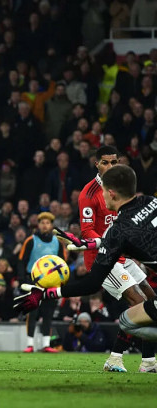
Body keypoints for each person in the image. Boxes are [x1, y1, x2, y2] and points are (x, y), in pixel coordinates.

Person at [15, 165, 157, 373]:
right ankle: (148, 362)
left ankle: (117, 358)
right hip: (114, 254)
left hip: (113, 260)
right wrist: (86, 243)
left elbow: (91, 284)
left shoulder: (118, 231)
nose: (102, 197)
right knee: (150, 303)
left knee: (131, 318)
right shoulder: (151, 202)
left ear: (111, 193)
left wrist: (46, 293)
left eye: (104, 191)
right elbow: (128, 237)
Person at [72, 145, 155, 372]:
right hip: (102, 259)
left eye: (114, 162)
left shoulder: (120, 187)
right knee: (139, 303)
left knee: (152, 300)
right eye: (105, 162)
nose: (110, 166)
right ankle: (115, 358)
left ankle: (148, 362)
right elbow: (87, 231)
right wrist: (111, 244)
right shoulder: (89, 194)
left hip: (122, 255)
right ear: (96, 164)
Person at [18, 212, 67, 353]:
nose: (45, 225)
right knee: (32, 312)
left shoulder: (57, 242)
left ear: (51, 225)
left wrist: (61, 282)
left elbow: (63, 263)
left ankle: (46, 344)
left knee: (48, 312)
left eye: (47, 223)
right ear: (38, 225)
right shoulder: (31, 240)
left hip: (51, 283)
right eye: (42, 223)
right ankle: (30, 344)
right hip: (33, 281)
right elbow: (21, 260)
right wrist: (22, 280)